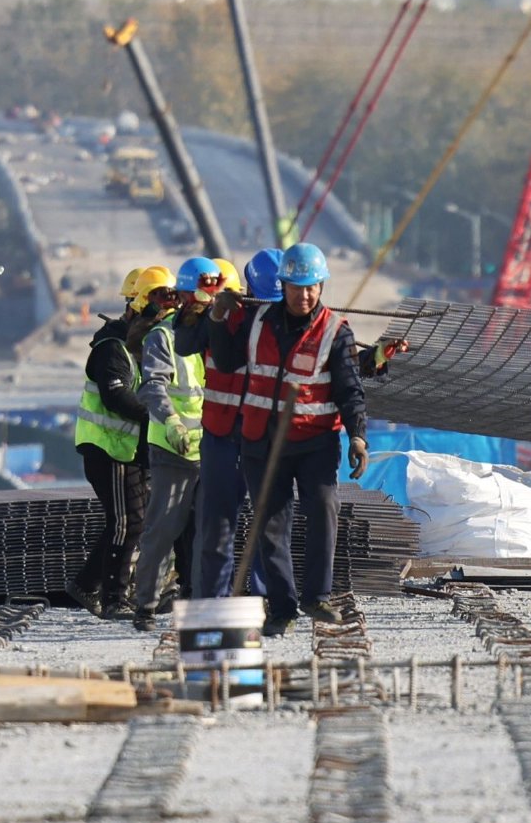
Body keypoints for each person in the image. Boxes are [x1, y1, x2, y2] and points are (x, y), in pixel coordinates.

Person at [205, 242, 371, 637]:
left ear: (321, 285)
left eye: (312, 286)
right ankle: (282, 608)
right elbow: (227, 361)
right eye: (297, 286)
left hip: (315, 443)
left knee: (323, 511)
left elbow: (350, 390)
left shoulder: (336, 332)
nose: (305, 294)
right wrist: (217, 317)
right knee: (271, 526)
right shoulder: (257, 321)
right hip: (261, 442)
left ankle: (318, 596)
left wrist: (358, 437)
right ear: (283, 285)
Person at [68, 266, 158, 617]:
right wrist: (158, 420)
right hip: (111, 449)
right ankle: (114, 599)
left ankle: (86, 586)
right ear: (137, 305)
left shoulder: (146, 345)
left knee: (129, 521)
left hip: (129, 448)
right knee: (128, 522)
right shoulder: (112, 348)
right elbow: (115, 397)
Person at [192, 248, 279, 599]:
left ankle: (260, 598)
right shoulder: (223, 322)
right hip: (223, 437)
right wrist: (213, 312)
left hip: (261, 437)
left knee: (268, 526)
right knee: (219, 527)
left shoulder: (288, 325)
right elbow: (212, 353)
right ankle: (214, 600)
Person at [128, 261, 210, 631]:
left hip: (211, 449)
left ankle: (196, 601)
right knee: (163, 528)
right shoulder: (162, 337)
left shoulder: (218, 335)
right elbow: (152, 386)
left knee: (205, 531)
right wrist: (172, 422)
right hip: (172, 449)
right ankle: (145, 604)